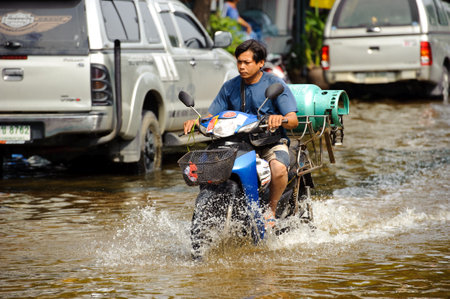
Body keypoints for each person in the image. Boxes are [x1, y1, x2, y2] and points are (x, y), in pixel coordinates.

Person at [183, 39, 298, 228]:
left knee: (278, 168)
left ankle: (271, 210)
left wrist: (279, 119)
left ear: (260, 63)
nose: (242, 67)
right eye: (239, 62)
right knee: (207, 168)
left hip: (268, 143)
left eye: (247, 62)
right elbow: (212, 116)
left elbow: (292, 120)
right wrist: (196, 122)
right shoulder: (230, 87)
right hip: (236, 144)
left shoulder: (275, 85)